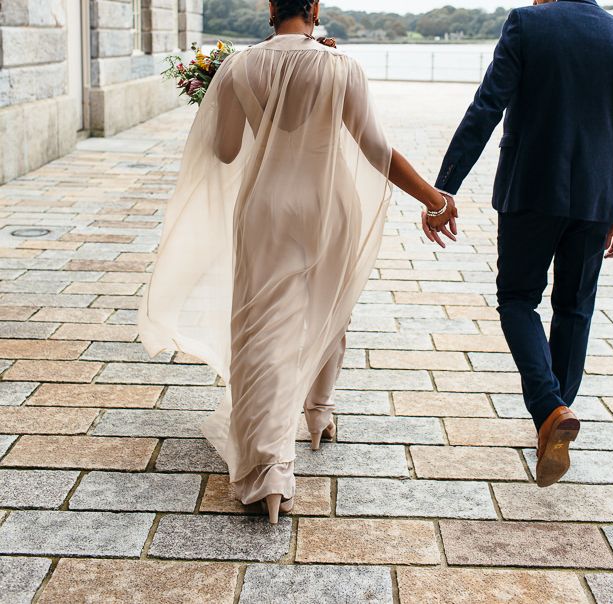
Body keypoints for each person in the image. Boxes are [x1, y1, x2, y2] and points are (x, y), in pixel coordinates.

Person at [138, 0, 457, 523]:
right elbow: (377, 151)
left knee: (262, 329)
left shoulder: (239, 67)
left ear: (269, 7)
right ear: (314, 7)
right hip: (327, 206)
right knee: (329, 304)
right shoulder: (340, 66)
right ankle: (319, 413)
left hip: (264, 209)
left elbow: (222, 151)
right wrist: (434, 199)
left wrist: (222, 99)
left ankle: (267, 471)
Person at [435, 0, 613, 487]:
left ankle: (550, 409)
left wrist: (444, 187)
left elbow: (487, 107)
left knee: (517, 299)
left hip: (530, 190)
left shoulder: (527, 24)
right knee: (574, 307)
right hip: (597, 199)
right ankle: (554, 423)